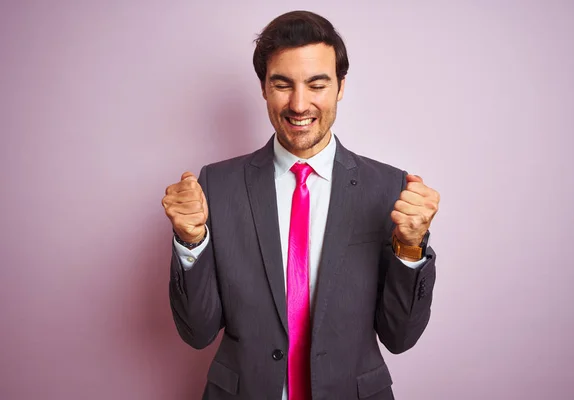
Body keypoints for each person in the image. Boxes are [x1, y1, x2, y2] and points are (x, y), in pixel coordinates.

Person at [162, 10, 440, 400]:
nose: (299, 103)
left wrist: (411, 248)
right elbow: (197, 332)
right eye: (282, 84)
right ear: (262, 87)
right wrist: (189, 240)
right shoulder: (216, 185)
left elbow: (400, 336)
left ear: (341, 87)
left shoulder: (390, 189)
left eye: (317, 84)